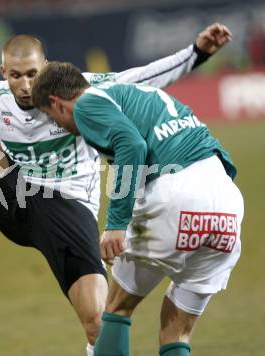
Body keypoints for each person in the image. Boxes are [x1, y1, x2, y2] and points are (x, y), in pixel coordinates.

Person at [0, 23, 232, 355]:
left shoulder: (83, 92)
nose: (25, 84)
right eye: (15, 75)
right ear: (3, 72)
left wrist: (197, 51)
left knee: (98, 320)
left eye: (32, 73)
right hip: (14, 197)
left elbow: (147, 75)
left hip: (68, 209)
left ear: (45, 67)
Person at [31, 60, 243, 356]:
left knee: (117, 308)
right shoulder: (132, 95)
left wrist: (116, 223)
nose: (57, 125)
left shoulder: (86, 104)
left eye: (50, 116)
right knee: (176, 330)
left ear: (57, 103)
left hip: (174, 193)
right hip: (226, 203)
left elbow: (131, 145)